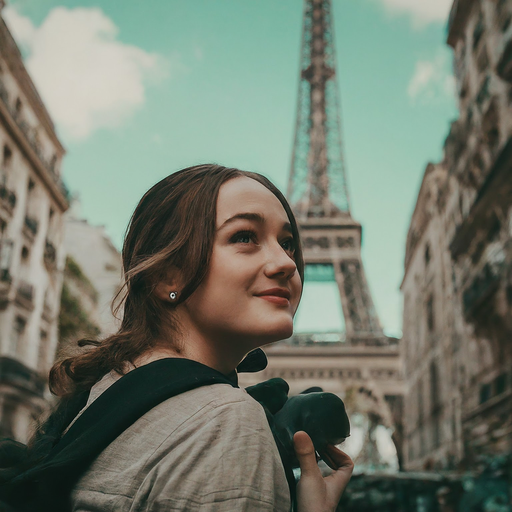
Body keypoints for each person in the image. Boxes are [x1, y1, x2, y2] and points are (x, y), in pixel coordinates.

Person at [13, 164, 354, 511]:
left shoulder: (101, 393)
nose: (286, 263)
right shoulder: (230, 423)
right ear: (167, 279)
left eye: (287, 243)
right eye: (244, 237)